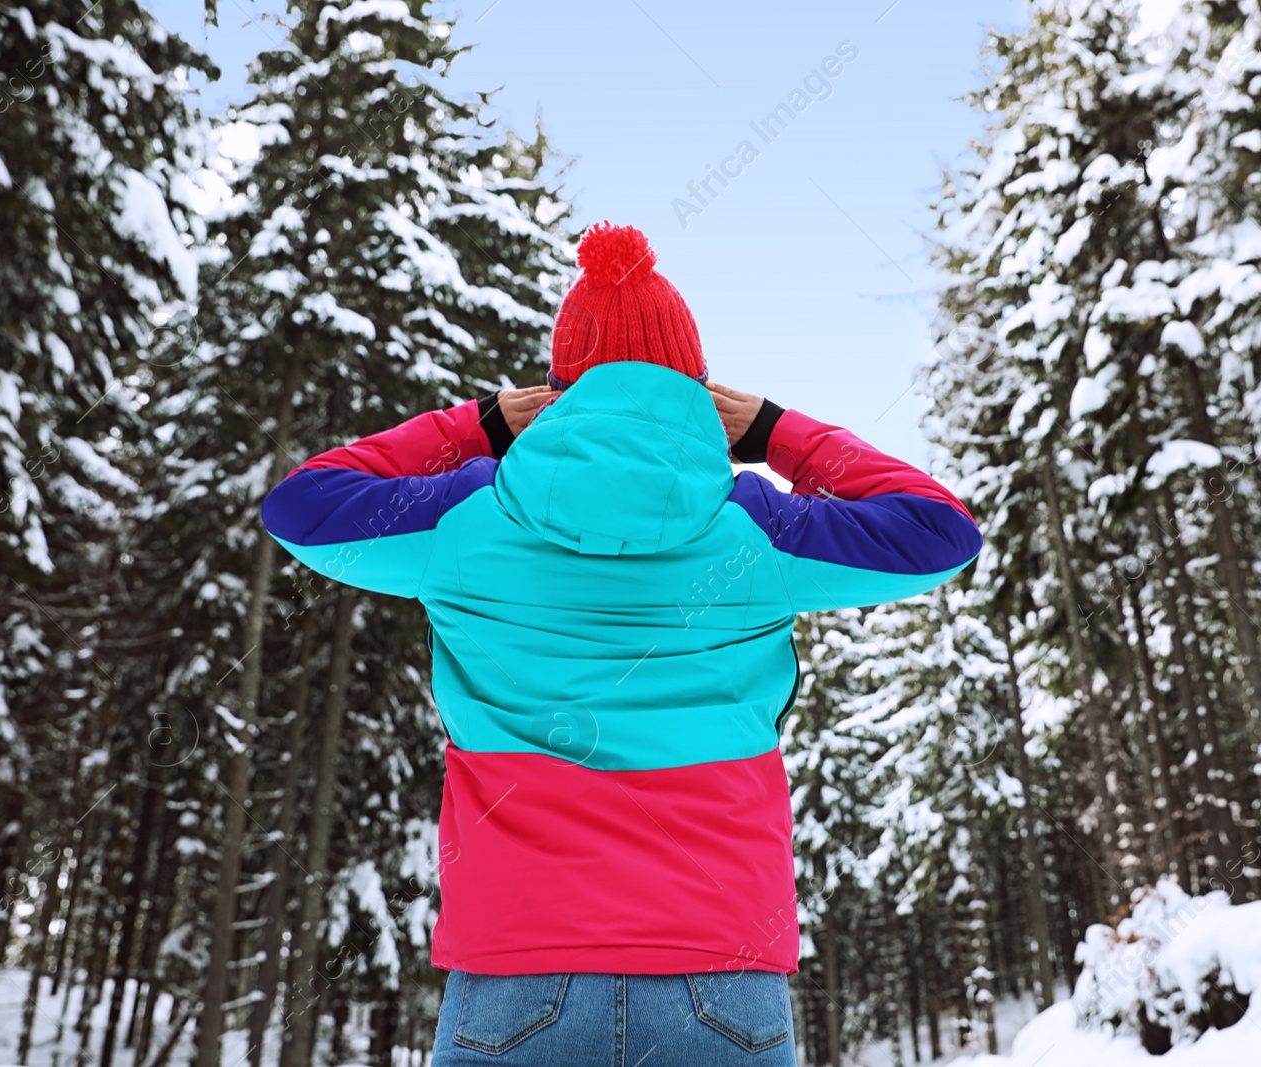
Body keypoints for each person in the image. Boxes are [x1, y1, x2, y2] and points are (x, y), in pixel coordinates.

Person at [260, 221, 983, 1066]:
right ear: (700, 388)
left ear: (558, 391)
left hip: (513, 975)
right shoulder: (755, 531)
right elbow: (939, 531)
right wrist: (780, 433)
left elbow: (302, 506)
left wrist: (476, 425)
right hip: (722, 974)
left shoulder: (465, 518)